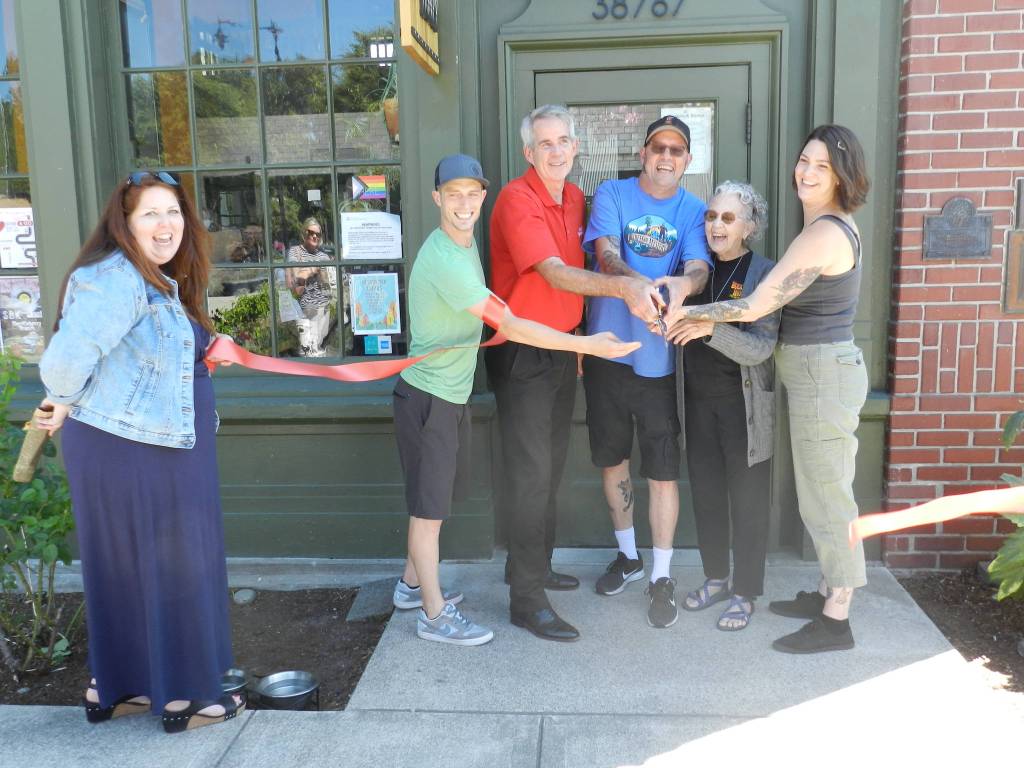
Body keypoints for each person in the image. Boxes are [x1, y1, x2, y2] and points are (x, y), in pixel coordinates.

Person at [392, 154, 639, 646]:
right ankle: (433, 615)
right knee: (429, 512)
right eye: (453, 194)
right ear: (436, 198)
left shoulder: (462, 246)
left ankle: (409, 586)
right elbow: (510, 323)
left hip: (449, 393)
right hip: (430, 397)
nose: (464, 204)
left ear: (482, 196)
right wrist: (587, 344)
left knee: (432, 498)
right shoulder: (444, 256)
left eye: (472, 194)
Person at [36, 171, 243, 732]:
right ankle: (185, 697)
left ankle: (121, 687)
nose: (165, 224)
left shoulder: (150, 278)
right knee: (174, 564)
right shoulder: (119, 278)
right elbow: (62, 363)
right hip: (140, 452)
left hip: (143, 446)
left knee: (126, 568)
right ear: (124, 223)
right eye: (150, 213)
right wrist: (61, 398)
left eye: (173, 212)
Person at [664, 124, 871, 653]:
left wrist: (696, 316)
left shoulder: (825, 232)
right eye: (805, 160)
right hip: (809, 371)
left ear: (842, 175)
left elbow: (757, 310)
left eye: (822, 166)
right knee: (817, 494)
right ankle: (826, 590)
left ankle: (837, 619)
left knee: (828, 499)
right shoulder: (817, 227)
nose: (806, 171)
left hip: (822, 371)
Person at [486, 105, 661, 642]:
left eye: (564, 141)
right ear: (528, 153)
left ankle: (532, 567)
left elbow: (579, 273)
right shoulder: (517, 200)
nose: (556, 151)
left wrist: (580, 348)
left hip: (563, 351)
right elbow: (557, 275)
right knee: (532, 473)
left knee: (552, 466)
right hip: (522, 353)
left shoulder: (577, 198)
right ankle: (526, 601)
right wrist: (627, 288)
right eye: (545, 144)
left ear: (576, 146)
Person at [583, 115, 711, 629]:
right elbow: (605, 254)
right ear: (643, 152)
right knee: (611, 461)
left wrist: (681, 286)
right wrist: (642, 285)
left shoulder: (694, 210)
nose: (666, 157)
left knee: (661, 470)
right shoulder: (611, 194)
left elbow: (700, 268)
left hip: (659, 365)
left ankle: (662, 575)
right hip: (608, 354)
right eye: (658, 147)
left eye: (677, 150)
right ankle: (628, 557)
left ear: (686, 160)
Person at [667, 181, 779, 631]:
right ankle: (716, 578)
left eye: (728, 218)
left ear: (748, 227)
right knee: (708, 497)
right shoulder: (694, 270)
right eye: (711, 216)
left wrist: (708, 327)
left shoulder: (763, 273)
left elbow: (762, 348)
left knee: (748, 502)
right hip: (697, 405)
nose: (716, 224)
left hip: (744, 408)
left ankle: (746, 592)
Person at [285, 217, 334, 357]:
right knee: (308, 351)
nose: (314, 236)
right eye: (310, 232)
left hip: (324, 306)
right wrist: (313, 270)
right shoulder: (295, 252)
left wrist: (322, 274)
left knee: (317, 347)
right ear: (303, 233)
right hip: (307, 308)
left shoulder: (323, 256)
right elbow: (297, 283)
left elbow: (326, 287)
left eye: (317, 234)